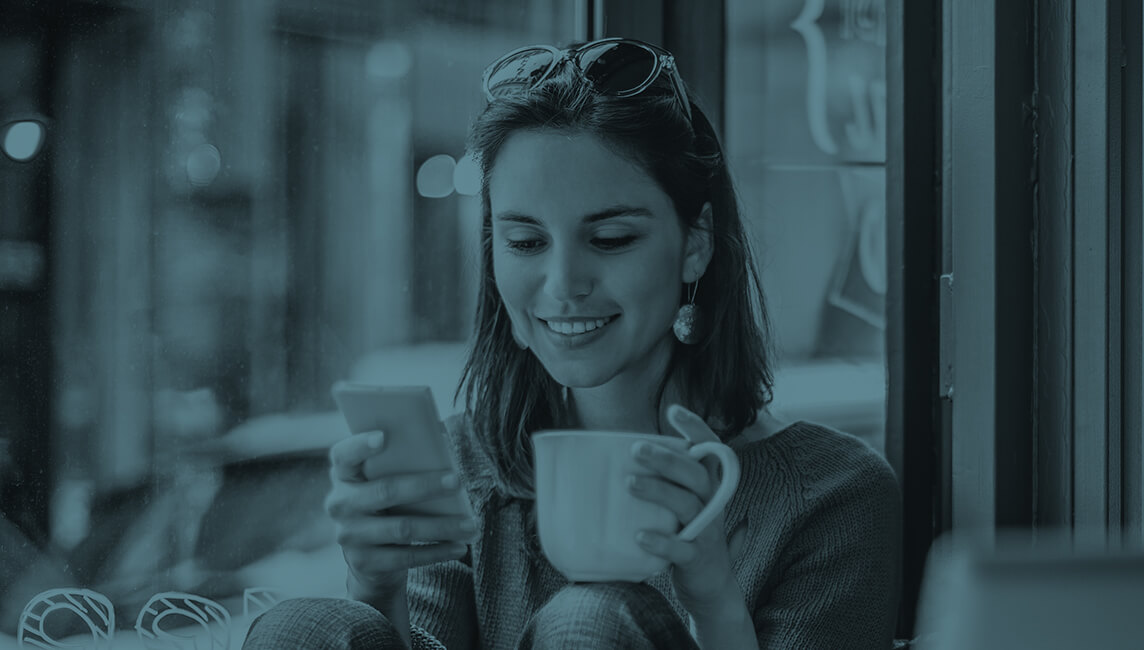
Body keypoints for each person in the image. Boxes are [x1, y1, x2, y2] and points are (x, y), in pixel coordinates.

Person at [244, 38, 901, 650]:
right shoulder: (467, 465)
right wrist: (374, 583)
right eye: (526, 242)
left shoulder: (831, 494)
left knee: (591, 621)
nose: (562, 287)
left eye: (611, 239)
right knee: (305, 626)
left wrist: (713, 601)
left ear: (695, 244)